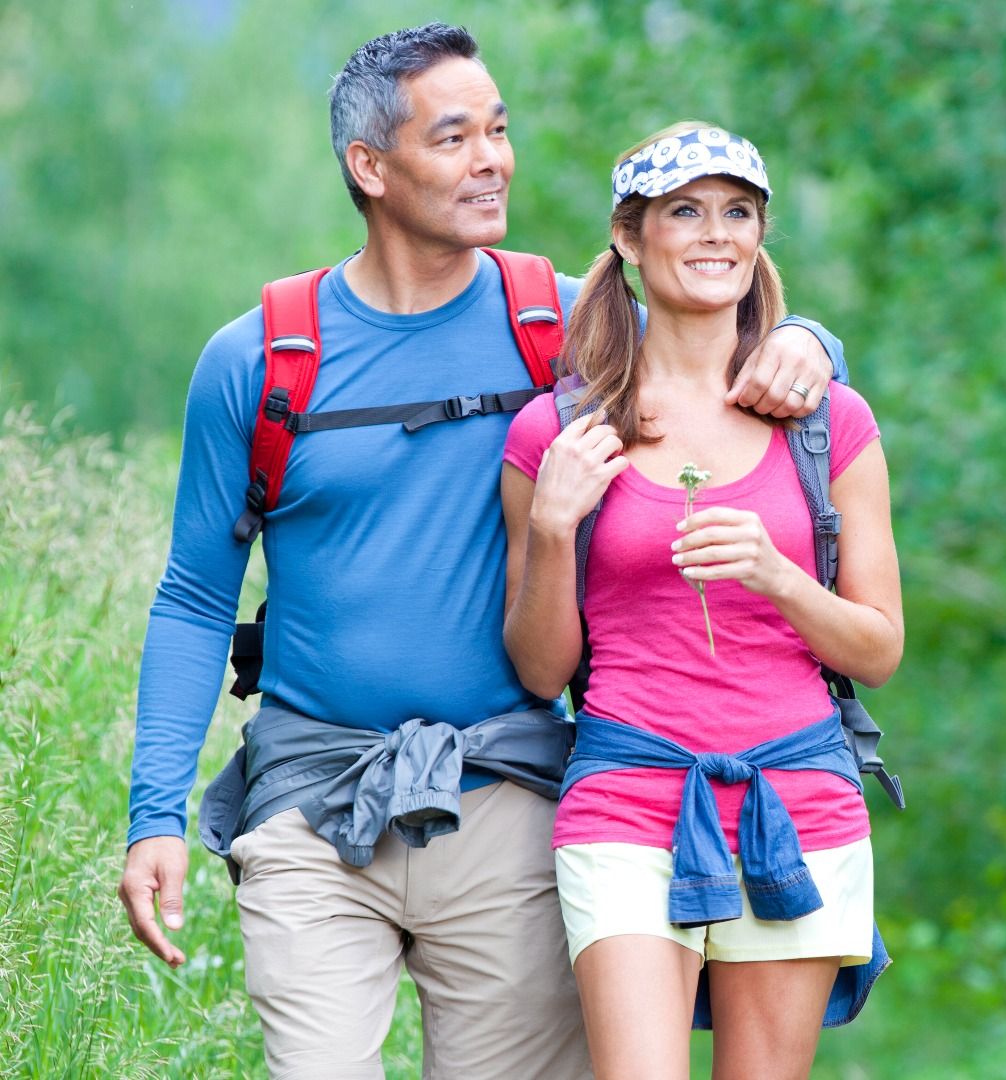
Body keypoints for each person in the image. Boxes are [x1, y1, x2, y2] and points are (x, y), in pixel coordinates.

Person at [117, 25, 846, 1080]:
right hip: (312, 807)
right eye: (454, 137)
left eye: (498, 131)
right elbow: (193, 597)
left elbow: (714, 320)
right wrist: (155, 817)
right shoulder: (262, 358)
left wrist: (811, 342)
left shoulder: (555, 327)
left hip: (510, 801)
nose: (493, 159)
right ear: (371, 167)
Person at [500, 121, 903, 1080]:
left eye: (737, 212)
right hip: (626, 797)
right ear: (631, 239)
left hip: (799, 798)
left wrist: (777, 575)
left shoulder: (829, 421)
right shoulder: (557, 433)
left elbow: (878, 648)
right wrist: (555, 526)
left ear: (761, 237)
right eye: (684, 211)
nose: (714, 233)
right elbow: (540, 669)